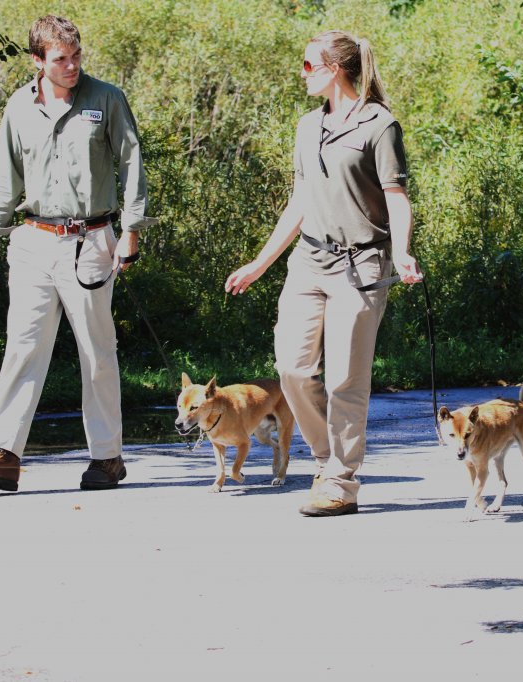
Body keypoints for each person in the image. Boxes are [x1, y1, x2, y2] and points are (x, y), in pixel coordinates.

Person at [225, 30, 423, 517]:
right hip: (309, 262)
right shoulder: (306, 127)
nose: (303, 73)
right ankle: (323, 460)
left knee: (344, 382)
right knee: (292, 369)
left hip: (363, 266)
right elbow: (300, 201)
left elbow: (396, 197)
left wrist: (402, 252)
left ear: (335, 68)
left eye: (309, 65)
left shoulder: (380, 125)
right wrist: (259, 263)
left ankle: (340, 480)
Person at [0, 15, 152, 492]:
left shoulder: (105, 99)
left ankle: (106, 458)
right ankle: (1, 455)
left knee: (96, 352)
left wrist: (132, 230)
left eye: (77, 55)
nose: (72, 66)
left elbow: (131, 161)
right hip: (33, 239)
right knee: (22, 346)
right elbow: (4, 173)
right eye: (61, 59)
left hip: (92, 240)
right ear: (38, 61)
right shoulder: (19, 107)